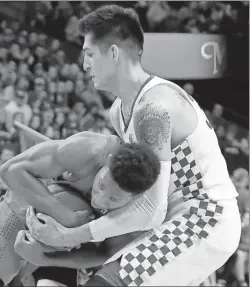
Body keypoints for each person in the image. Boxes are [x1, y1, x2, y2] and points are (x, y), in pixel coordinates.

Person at [24, 5, 241, 286]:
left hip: (204, 218)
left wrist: (72, 236)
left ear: (113, 54)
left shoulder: (153, 110)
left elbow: (151, 209)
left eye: (89, 54)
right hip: (175, 219)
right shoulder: (119, 110)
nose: (84, 64)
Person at [0, 127, 166, 287]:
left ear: (134, 198)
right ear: (108, 161)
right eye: (101, 185)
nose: (100, 200)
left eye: (113, 200)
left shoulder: (139, 214)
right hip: (19, 212)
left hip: (64, 250)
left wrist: (46, 259)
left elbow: (105, 253)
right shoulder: (90, 149)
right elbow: (10, 170)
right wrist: (66, 217)